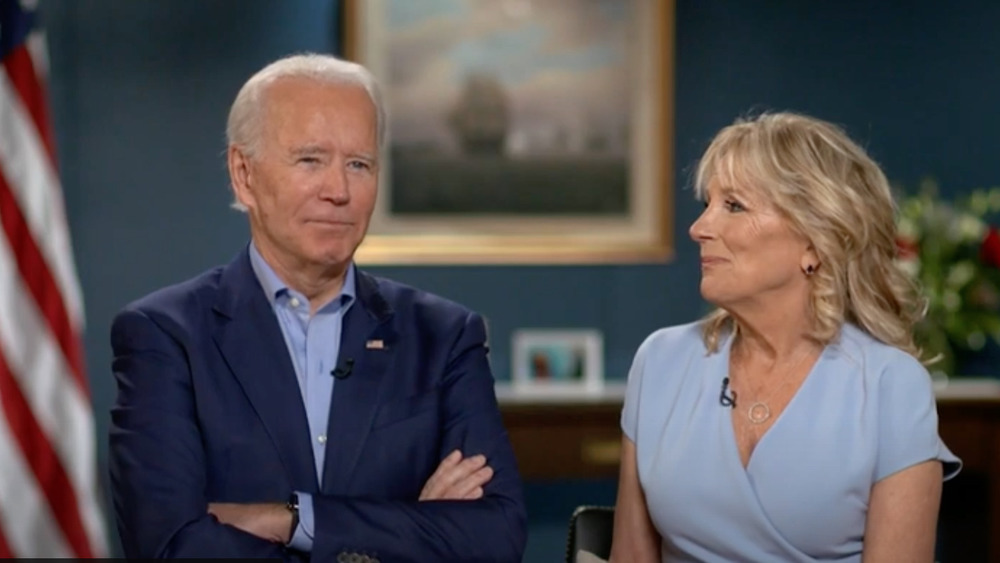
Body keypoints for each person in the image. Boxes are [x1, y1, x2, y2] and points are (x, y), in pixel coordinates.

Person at [108, 53, 526, 562]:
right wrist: (410, 530)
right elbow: (171, 546)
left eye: (359, 164)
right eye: (310, 160)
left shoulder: (444, 337)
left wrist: (292, 519)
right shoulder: (165, 336)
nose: (339, 191)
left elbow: (495, 539)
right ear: (244, 175)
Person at [609, 112, 962, 562]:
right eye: (706, 204)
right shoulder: (660, 361)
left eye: (733, 206)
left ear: (815, 242)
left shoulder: (890, 386)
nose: (699, 228)